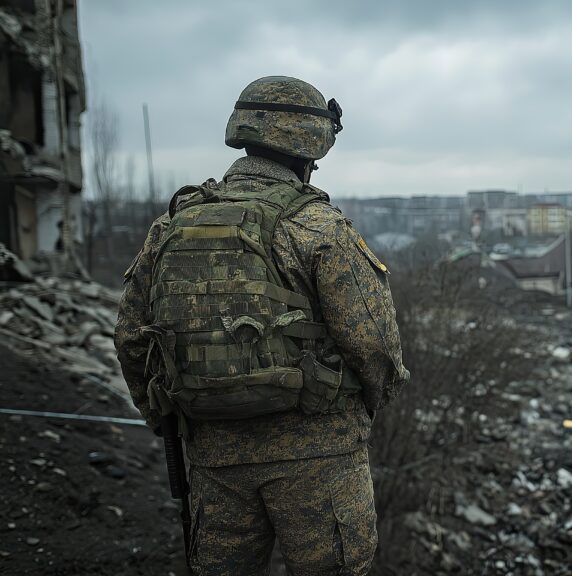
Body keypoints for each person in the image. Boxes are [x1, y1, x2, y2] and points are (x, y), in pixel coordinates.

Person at [115, 76, 410, 575]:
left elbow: (130, 339)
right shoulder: (319, 226)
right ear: (309, 147)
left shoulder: (172, 225)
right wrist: (361, 409)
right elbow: (374, 343)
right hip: (320, 455)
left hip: (214, 456)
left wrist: (169, 415)